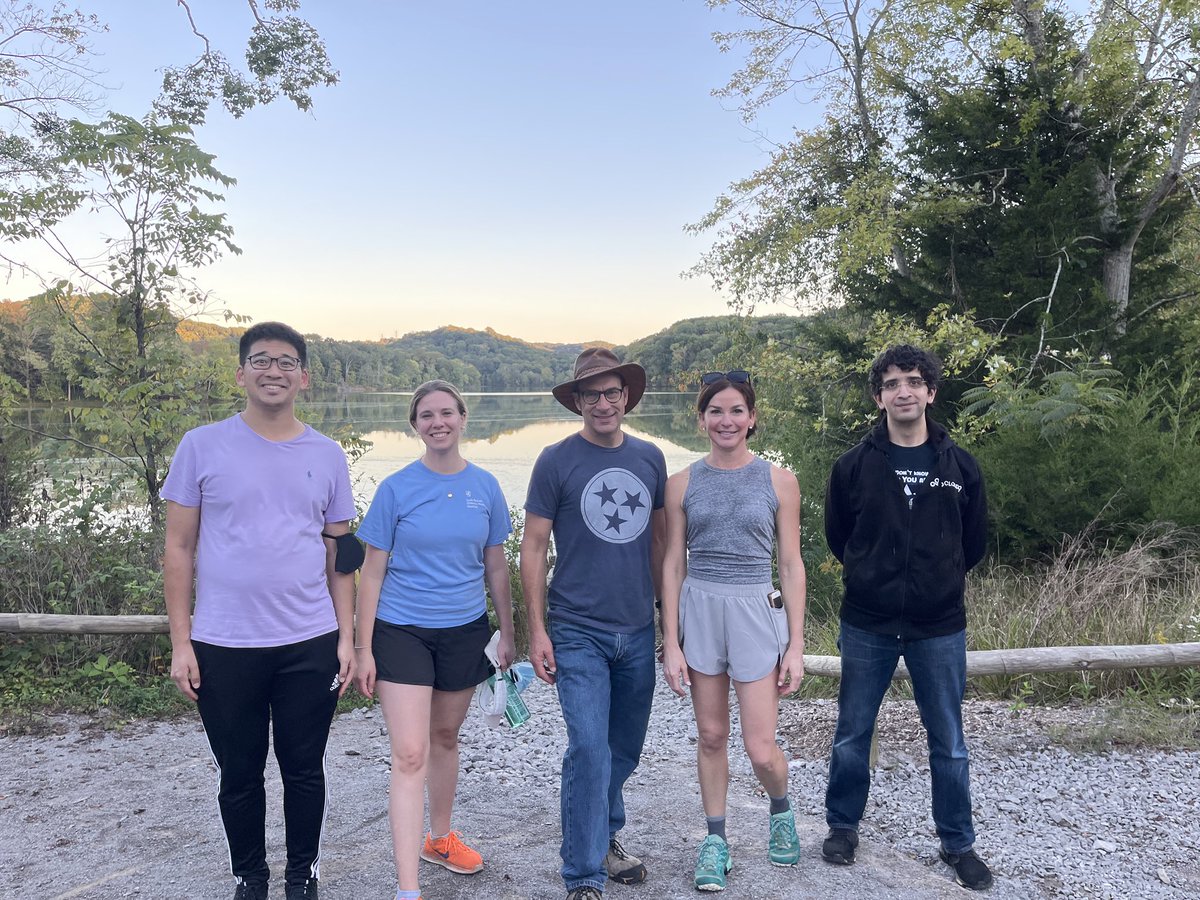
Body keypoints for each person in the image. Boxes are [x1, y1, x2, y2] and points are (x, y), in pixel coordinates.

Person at [163, 321, 357, 900]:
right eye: (262, 360)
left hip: (310, 639)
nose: (274, 371)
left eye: (287, 362)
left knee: (304, 768)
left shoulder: (325, 454)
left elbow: (341, 553)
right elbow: (178, 548)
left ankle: (304, 875)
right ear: (241, 372)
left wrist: (347, 639)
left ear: (303, 376)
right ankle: (250, 876)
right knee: (240, 772)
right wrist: (181, 642)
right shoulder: (201, 445)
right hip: (224, 642)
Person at [821, 344, 993, 891]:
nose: (904, 391)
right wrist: (872, 575)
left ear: (930, 392)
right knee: (852, 732)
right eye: (892, 383)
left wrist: (934, 582)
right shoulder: (852, 466)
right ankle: (843, 827)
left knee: (949, 740)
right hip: (867, 621)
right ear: (879, 397)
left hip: (938, 624)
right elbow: (838, 537)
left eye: (913, 381)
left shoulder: (960, 465)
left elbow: (974, 543)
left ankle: (958, 843)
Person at [353, 379, 516, 900]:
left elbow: (496, 566)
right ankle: (408, 889)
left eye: (447, 412)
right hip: (401, 631)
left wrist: (507, 631)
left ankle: (440, 838)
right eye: (427, 415)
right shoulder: (396, 488)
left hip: (465, 630)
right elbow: (371, 573)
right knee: (408, 752)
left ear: (464, 419)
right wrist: (361, 648)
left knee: (445, 737)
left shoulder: (486, 487)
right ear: (415, 425)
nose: (438, 422)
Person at [520, 348, 668, 900]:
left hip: (636, 630)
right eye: (591, 395)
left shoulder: (651, 458)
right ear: (577, 402)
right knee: (588, 746)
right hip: (576, 627)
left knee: (624, 747)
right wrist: (537, 629)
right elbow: (532, 548)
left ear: (626, 397)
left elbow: (659, 545)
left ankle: (603, 837)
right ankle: (582, 874)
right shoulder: (556, 461)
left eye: (612, 393)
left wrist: (666, 624)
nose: (603, 404)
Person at [660, 369, 807, 892]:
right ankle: (716, 840)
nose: (726, 420)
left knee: (761, 747)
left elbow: (789, 564)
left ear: (752, 418)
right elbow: (673, 563)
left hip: (753, 610)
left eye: (736, 410)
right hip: (700, 608)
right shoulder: (682, 482)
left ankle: (781, 807)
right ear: (701, 420)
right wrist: (671, 641)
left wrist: (796, 643)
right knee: (711, 734)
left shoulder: (777, 480)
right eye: (715, 411)